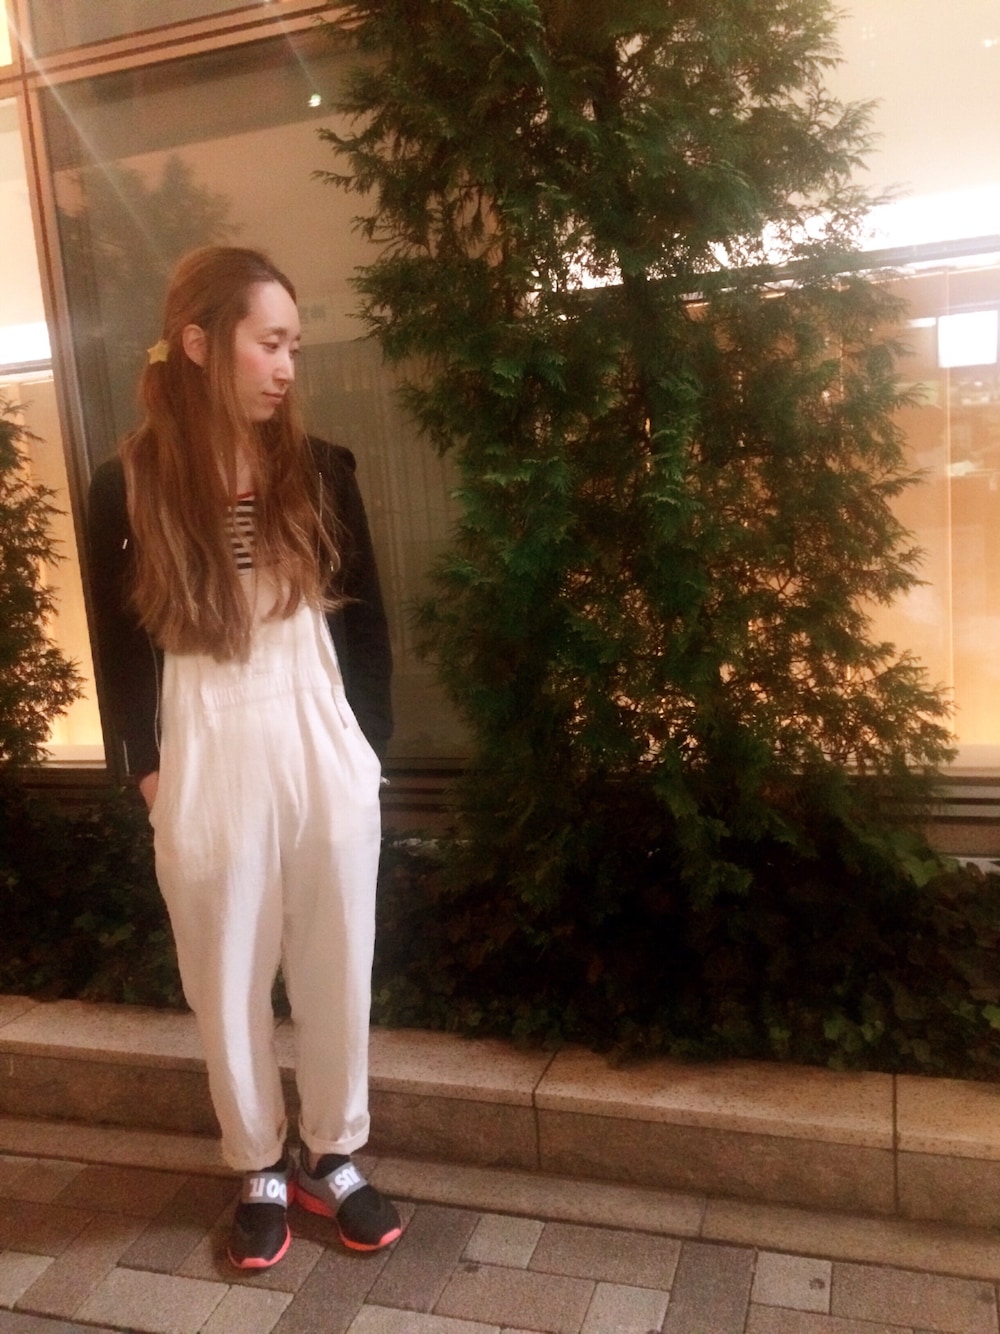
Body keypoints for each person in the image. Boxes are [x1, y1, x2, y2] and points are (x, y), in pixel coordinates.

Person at [86, 245, 401, 1270]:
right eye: (270, 343)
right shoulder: (125, 485)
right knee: (223, 977)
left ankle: (332, 1153)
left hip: (318, 738)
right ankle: (259, 1162)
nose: (286, 367)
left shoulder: (320, 470)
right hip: (205, 748)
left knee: (336, 960)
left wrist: (365, 751)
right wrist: (148, 770)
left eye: (293, 346)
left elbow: (366, 626)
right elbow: (118, 646)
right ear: (199, 342)